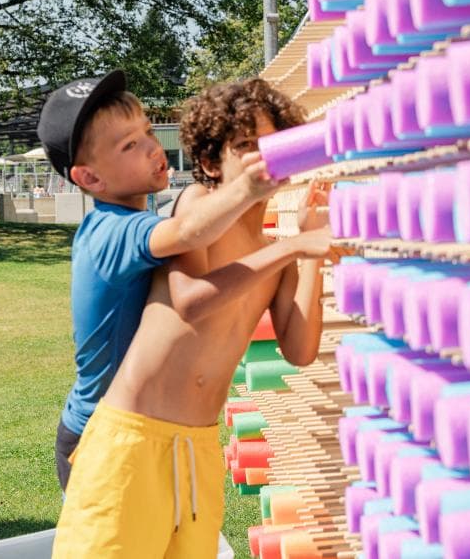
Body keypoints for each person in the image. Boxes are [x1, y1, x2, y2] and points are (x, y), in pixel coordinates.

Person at [51, 78, 331, 558]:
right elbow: (190, 301)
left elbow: (300, 349)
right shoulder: (193, 209)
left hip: (199, 446)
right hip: (130, 439)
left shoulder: (273, 250)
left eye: (272, 141)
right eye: (245, 145)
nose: (262, 156)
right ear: (207, 164)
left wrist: (308, 252)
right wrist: (291, 244)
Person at [36, 71, 286, 491]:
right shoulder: (113, 231)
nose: (153, 147)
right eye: (129, 145)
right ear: (89, 179)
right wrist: (248, 186)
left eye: (148, 130)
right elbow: (189, 231)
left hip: (140, 432)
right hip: (100, 437)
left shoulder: (132, 223)